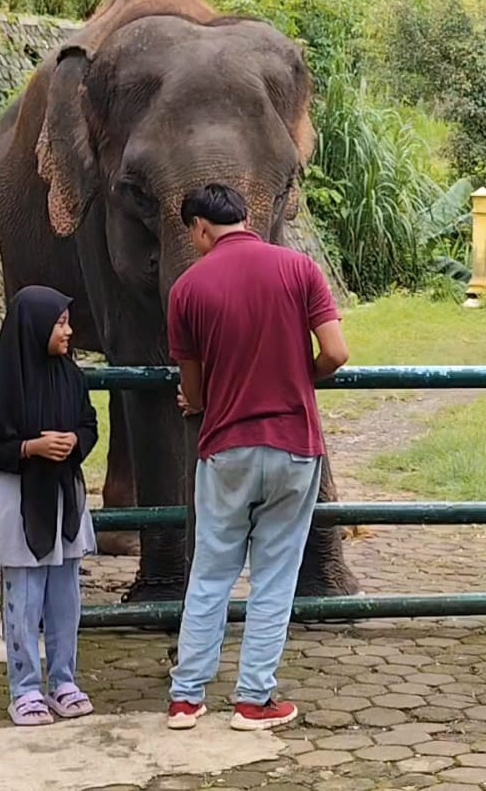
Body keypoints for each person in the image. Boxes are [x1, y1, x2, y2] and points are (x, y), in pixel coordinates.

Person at [165, 184, 350, 732]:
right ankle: (253, 701)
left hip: (225, 449)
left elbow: (192, 391)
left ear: (200, 228)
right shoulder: (300, 270)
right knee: (274, 578)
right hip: (294, 446)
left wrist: (201, 400)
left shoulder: (188, 288)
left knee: (210, 575)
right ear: (247, 219)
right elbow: (336, 352)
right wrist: (299, 376)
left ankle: (186, 698)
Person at [0, 285, 100, 727]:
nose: (69, 331)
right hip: (20, 498)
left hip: (64, 494)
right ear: (35, 325)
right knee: (23, 596)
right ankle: (24, 688)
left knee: (65, 595)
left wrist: (74, 442)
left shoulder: (71, 376)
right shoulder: (4, 384)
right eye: (60, 323)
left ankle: (64, 680)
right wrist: (30, 448)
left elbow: (89, 423)